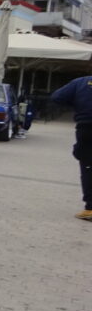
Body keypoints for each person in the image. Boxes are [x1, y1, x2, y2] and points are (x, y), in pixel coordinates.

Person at [50, 74, 92, 221]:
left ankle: (90, 208)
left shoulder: (81, 82)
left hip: (86, 127)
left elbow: (57, 97)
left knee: (88, 166)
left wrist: (77, 104)